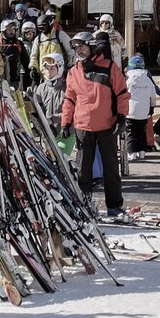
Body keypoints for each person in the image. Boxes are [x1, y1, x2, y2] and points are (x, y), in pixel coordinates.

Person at [61, 33, 131, 216]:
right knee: (83, 169)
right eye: (76, 48)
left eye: (82, 47)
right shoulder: (74, 71)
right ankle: (84, 204)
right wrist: (65, 121)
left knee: (111, 169)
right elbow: (69, 99)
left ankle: (114, 206)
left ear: (92, 47)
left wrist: (122, 117)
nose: (79, 51)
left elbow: (122, 94)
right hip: (83, 125)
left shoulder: (109, 68)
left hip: (107, 125)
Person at [124, 54, 160, 159]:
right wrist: (152, 107)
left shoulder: (128, 79)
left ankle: (132, 153)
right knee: (141, 132)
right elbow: (153, 95)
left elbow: (122, 94)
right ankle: (142, 152)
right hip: (144, 111)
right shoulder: (147, 79)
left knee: (131, 132)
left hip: (130, 110)